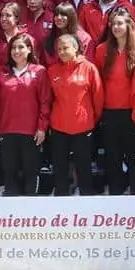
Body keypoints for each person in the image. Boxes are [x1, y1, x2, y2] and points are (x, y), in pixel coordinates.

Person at [0, 34, 50, 196]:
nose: (16, 51)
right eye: (13, 48)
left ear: (29, 49)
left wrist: (42, 127)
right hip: (7, 130)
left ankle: (31, 205)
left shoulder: (39, 71)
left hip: (31, 131)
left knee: (31, 170)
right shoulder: (0, 72)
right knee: (9, 171)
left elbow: (45, 102)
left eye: (21, 47)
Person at [93, 9, 135, 195]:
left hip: (132, 112)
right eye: (113, 23)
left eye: (120, 23)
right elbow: (97, 82)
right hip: (109, 112)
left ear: (129, 25)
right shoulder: (101, 50)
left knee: (134, 156)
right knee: (112, 156)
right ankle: (116, 194)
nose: (115, 27)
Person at [47, 34, 103, 196]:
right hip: (59, 126)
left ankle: (86, 194)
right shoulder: (52, 71)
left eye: (65, 48)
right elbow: (48, 99)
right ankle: (61, 195)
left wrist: (91, 118)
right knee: (60, 165)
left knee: (84, 164)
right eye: (59, 49)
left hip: (83, 126)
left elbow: (98, 96)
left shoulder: (89, 68)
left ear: (76, 47)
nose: (62, 52)